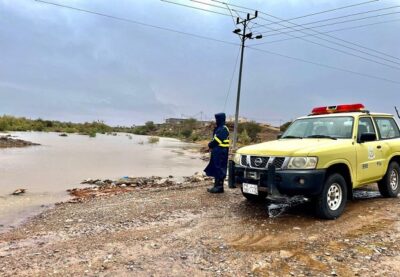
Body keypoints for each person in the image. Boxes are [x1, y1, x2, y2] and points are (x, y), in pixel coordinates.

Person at [204, 113, 230, 193]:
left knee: (219, 168)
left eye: (217, 119)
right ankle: (216, 186)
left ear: (220, 119)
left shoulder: (223, 128)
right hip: (218, 151)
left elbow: (217, 140)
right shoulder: (219, 128)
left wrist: (209, 145)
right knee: (216, 167)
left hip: (221, 152)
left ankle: (219, 187)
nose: (216, 121)